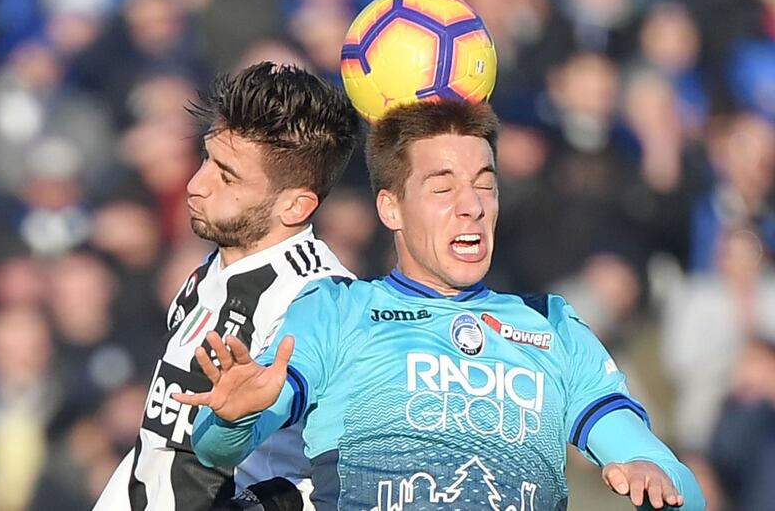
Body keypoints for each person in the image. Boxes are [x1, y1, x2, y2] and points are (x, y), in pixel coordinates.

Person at [178, 100, 705, 510]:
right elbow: (216, 450)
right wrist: (232, 418)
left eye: (485, 185)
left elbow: (676, 480)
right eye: (442, 188)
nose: (471, 206)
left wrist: (654, 476)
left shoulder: (552, 327)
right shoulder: (337, 310)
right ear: (391, 208)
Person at [93, 61, 362, 511]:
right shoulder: (211, 268)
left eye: (227, 176)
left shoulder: (318, 302)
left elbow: (339, 482)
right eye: (206, 160)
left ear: (295, 205)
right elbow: (158, 448)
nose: (196, 185)